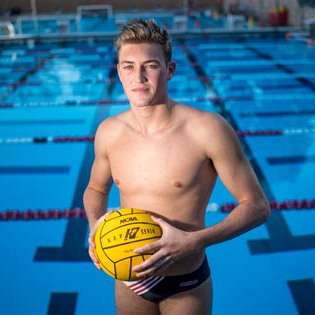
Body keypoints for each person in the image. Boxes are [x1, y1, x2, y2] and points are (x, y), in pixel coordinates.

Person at [83, 19, 270, 315]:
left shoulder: (208, 129)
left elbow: (257, 206)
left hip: (185, 281)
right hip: (129, 278)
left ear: (169, 70)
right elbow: (95, 188)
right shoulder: (109, 131)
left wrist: (193, 242)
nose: (139, 76)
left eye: (150, 65)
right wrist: (96, 226)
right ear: (119, 72)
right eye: (128, 66)